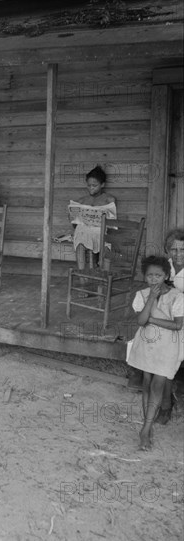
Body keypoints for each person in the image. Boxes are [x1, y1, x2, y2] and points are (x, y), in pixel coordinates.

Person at [126, 256, 184, 450]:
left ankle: (145, 429)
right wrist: (151, 298)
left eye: (158, 275)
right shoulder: (142, 295)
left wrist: (152, 320)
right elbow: (140, 321)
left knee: (158, 385)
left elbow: (177, 325)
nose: (154, 279)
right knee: (147, 383)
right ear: (145, 277)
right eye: (150, 275)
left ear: (166, 275)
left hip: (167, 347)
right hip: (147, 345)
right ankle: (147, 427)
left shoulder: (177, 296)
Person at [155, 228, 184, 423]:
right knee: (163, 356)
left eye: (182, 249)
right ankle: (165, 406)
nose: (178, 253)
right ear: (167, 251)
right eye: (174, 249)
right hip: (170, 318)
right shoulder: (165, 269)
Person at [70, 166, 116, 273]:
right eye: (89, 185)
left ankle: (104, 276)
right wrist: (73, 218)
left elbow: (112, 221)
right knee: (80, 240)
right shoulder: (82, 200)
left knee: (106, 246)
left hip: (100, 231)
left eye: (94, 185)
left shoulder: (109, 199)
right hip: (83, 231)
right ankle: (82, 276)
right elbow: (75, 225)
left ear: (102, 185)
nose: (91, 188)